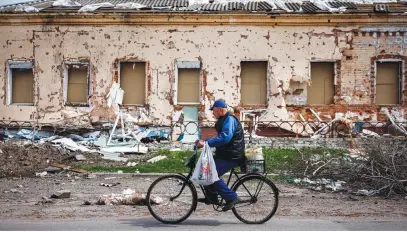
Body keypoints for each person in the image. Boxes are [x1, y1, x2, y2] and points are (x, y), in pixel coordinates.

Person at [196, 99, 245, 211]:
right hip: (226, 154)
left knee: (211, 174)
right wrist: (204, 140)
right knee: (204, 170)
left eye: (214, 111)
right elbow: (219, 137)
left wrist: (207, 143)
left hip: (232, 155)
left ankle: (232, 198)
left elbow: (225, 137)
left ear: (219, 110)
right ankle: (212, 198)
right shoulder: (224, 119)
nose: (213, 113)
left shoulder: (230, 119)